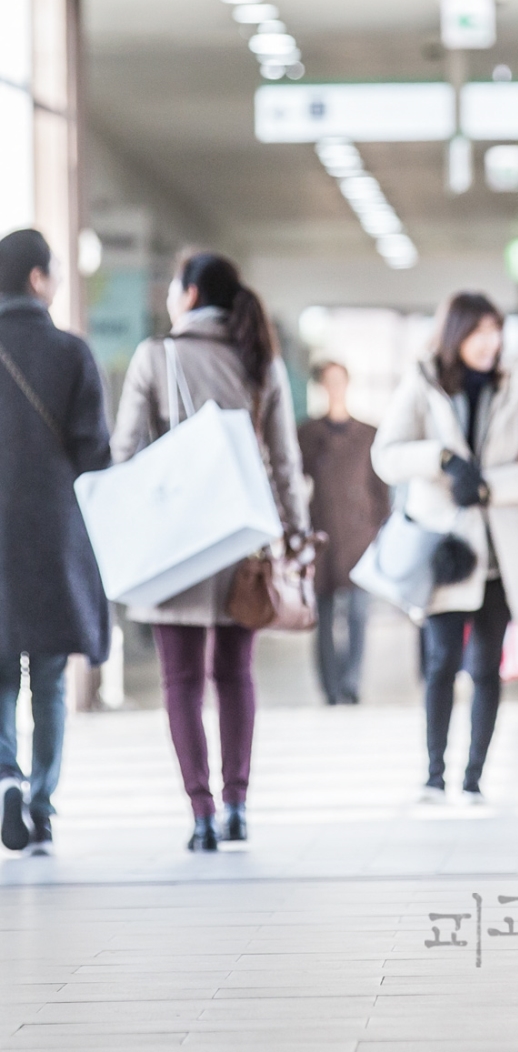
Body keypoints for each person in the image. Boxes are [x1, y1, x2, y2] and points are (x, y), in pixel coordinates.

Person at [112, 252, 309, 851]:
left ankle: (200, 813)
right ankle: (238, 803)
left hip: (175, 547)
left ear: (191, 294)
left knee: (181, 682)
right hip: (241, 545)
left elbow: (124, 452)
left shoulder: (157, 355)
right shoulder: (258, 359)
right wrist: (295, 535)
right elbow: (284, 461)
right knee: (234, 674)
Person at [372, 291, 518, 802]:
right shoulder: (424, 380)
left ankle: (473, 777)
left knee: (487, 669)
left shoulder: (512, 387)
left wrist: (491, 486)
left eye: (495, 332)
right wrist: (442, 459)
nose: (490, 343)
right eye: (478, 332)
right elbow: (386, 455)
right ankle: (434, 774)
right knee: (440, 664)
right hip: (446, 553)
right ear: (456, 334)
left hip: (499, 555)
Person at [0, 229, 111, 855]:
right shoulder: (70, 354)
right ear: (38, 279)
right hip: (51, 537)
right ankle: (42, 808)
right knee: (48, 680)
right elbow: (93, 452)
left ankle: (4, 776)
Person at [298, 360, 389, 705]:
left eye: (340, 381)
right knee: (320, 615)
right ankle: (331, 686)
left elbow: (379, 489)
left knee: (357, 614)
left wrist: (380, 529)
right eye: (328, 381)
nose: (334, 387)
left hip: (359, 537)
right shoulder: (307, 434)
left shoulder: (367, 434)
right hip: (320, 536)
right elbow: (294, 482)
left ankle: (351, 682)